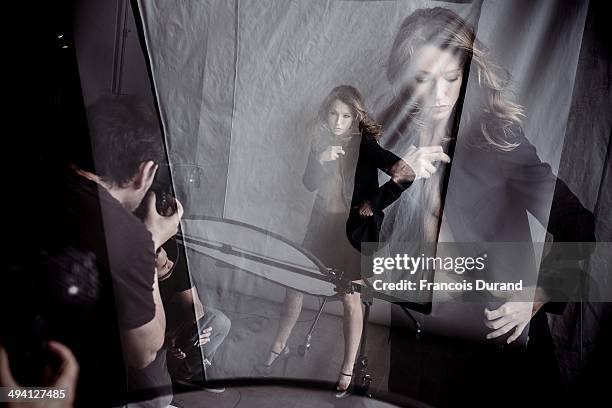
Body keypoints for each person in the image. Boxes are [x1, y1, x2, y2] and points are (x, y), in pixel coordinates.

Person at [361, 7, 594, 407]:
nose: (438, 95)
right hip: (418, 338)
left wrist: (536, 294)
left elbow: (578, 224)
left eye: (451, 79)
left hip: (491, 342)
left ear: (468, 73)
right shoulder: (392, 139)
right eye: (422, 80)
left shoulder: (495, 139)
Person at [256, 85, 441, 397]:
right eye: (333, 114)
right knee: (295, 283)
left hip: (354, 234)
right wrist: (322, 160)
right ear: (326, 114)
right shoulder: (321, 141)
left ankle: (347, 368)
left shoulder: (365, 146)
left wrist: (376, 202)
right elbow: (308, 183)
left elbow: (405, 174)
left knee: (349, 299)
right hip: (321, 228)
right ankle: (278, 345)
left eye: (345, 116)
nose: (338, 122)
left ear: (357, 117)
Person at [7, 94, 183, 408]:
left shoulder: (36, 179)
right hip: (56, 393)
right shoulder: (128, 237)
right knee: (160, 396)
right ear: (145, 172)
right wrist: (150, 239)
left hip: (14, 380)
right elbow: (144, 350)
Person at [155, 241, 231, 392]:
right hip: (147, 330)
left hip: (170, 314)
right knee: (159, 396)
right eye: (164, 266)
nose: (170, 263)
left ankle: (187, 373)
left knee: (220, 321)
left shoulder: (172, 252)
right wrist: (167, 340)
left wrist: (195, 331)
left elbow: (195, 306)